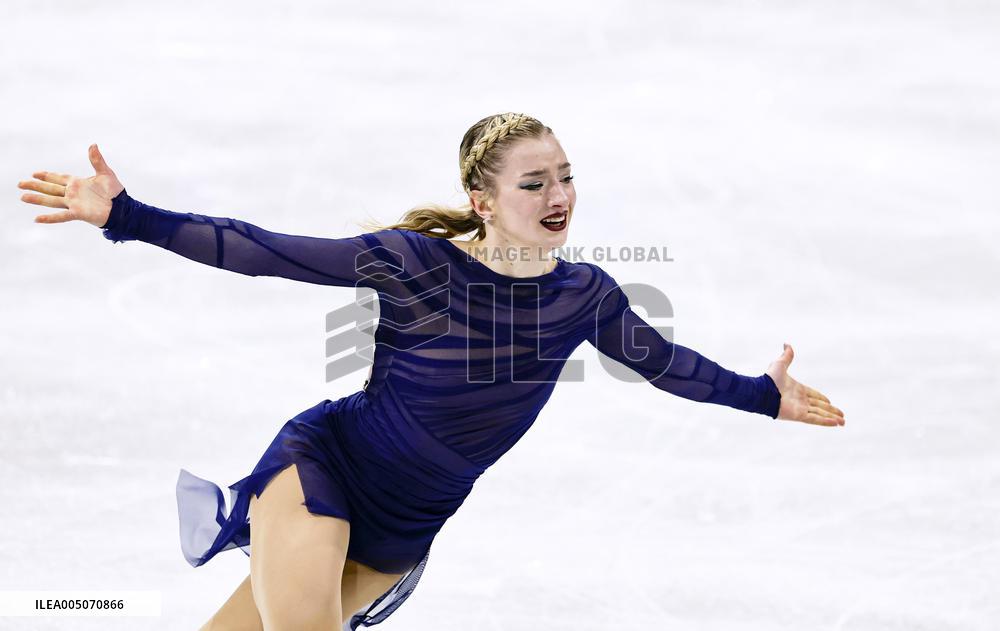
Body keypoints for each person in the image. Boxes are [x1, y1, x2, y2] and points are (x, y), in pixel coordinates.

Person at [17, 112, 845, 630]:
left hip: (406, 526)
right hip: (327, 468)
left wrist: (761, 395)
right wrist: (127, 215)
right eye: (533, 182)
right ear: (483, 201)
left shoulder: (586, 295)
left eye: (565, 176)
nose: (559, 194)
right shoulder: (412, 263)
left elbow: (664, 365)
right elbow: (264, 251)